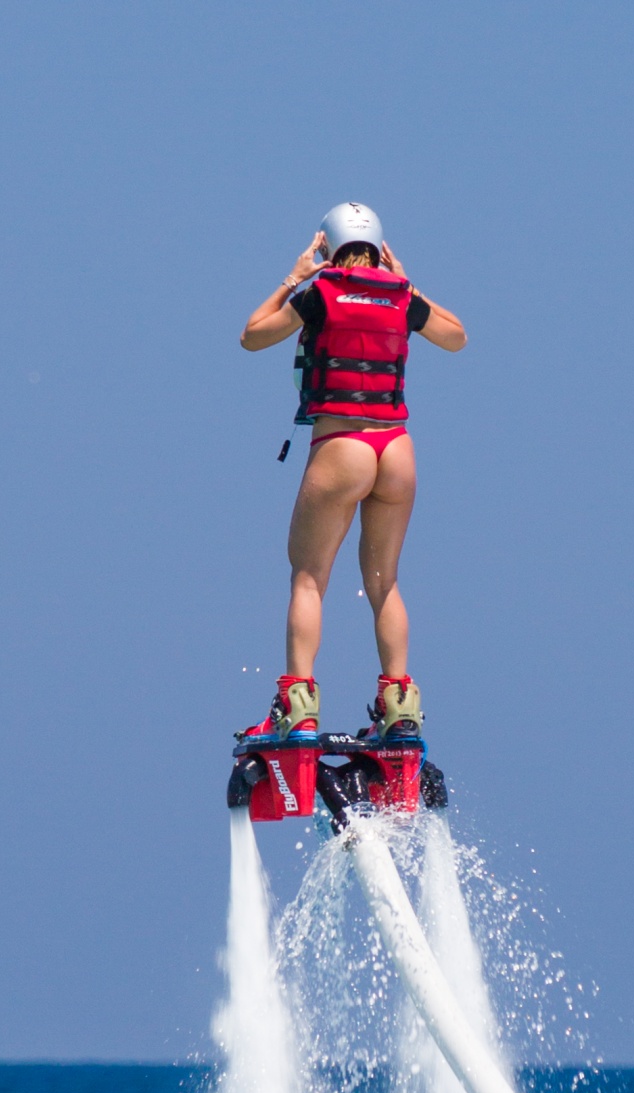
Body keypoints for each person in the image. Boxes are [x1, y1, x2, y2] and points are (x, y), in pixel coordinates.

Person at [239, 202, 466, 742]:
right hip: (396, 450)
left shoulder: (320, 292)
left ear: (328, 245)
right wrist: (407, 284)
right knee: (384, 583)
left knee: (309, 577)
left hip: (343, 445)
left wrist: (295, 276)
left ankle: (297, 708)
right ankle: (400, 708)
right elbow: (456, 336)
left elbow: (253, 334)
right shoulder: (401, 298)